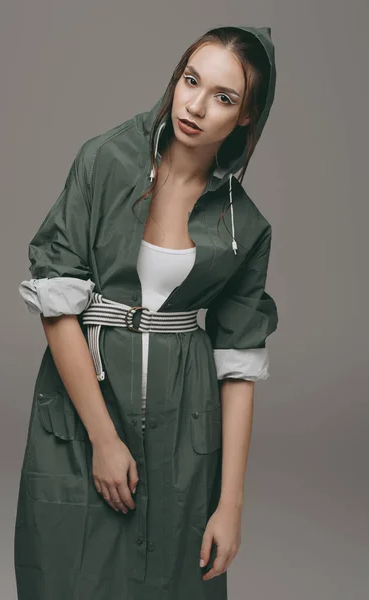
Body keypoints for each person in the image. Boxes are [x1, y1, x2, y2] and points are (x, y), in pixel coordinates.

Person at [14, 25, 279, 600]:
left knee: (174, 583)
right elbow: (57, 305)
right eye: (191, 81)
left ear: (246, 117)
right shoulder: (105, 159)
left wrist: (230, 504)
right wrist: (105, 439)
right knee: (67, 574)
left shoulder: (245, 225)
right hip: (84, 413)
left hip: (185, 425)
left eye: (224, 98)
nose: (196, 105)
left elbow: (238, 368)